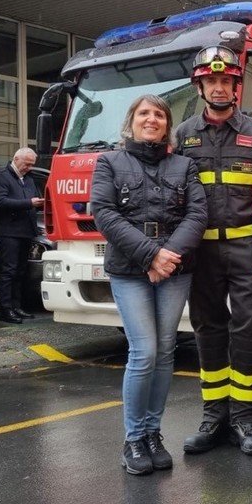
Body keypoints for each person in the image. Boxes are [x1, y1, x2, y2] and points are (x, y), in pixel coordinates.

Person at [91, 95, 207, 476]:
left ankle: (154, 433)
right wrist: (149, 256)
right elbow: (104, 213)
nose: (152, 119)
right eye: (144, 113)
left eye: (159, 114)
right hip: (129, 269)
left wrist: (167, 256)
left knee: (166, 350)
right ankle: (134, 438)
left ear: (167, 124)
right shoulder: (109, 162)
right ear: (132, 121)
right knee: (144, 351)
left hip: (174, 268)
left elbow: (197, 213)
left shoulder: (184, 165)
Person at [174, 44, 252, 458]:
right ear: (200, 86)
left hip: (245, 249)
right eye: (211, 81)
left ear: (236, 86)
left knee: (250, 331)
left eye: (226, 81)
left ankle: (244, 418)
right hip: (201, 254)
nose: (218, 88)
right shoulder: (182, 136)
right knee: (208, 330)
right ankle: (213, 415)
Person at [0, 147, 45, 324]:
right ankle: (6, 309)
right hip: (9, 232)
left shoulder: (28, 179)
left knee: (20, 271)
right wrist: (28, 203)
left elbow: (35, 198)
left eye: (31, 165)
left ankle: (17, 307)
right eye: (27, 164)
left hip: (26, 232)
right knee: (8, 271)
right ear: (16, 158)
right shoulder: (1, 177)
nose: (29, 168)